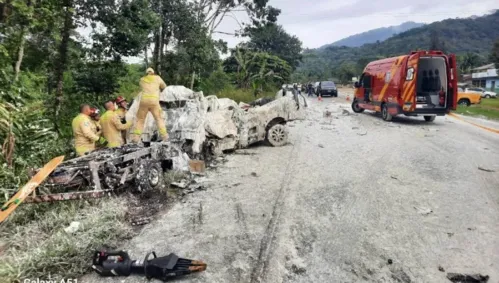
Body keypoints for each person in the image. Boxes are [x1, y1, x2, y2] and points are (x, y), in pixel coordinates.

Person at [131, 67, 168, 143]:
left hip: (144, 101)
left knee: (140, 120)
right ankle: (165, 137)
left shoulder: (142, 79)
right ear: (153, 72)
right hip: (154, 101)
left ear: (146, 73)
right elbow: (164, 86)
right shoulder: (157, 78)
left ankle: (135, 138)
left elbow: (142, 86)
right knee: (158, 119)